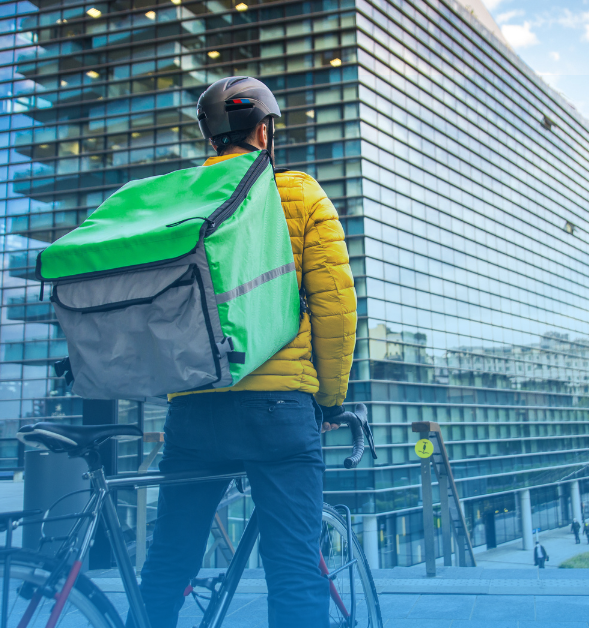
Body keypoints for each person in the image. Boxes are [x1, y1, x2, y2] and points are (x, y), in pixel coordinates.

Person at [137, 76, 358, 628]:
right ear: (265, 131)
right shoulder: (300, 194)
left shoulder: (179, 196)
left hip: (195, 404)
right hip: (280, 411)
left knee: (169, 561)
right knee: (295, 567)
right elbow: (334, 308)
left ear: (211, 136)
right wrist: (329, 400)